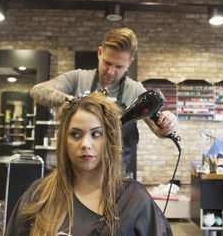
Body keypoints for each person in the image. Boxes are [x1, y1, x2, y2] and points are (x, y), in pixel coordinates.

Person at [4, 92, 173, 235]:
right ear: (64, 140)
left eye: (96, 134)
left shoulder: (134, 200)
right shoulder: (40, 196)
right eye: (76, 135)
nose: (85, 144)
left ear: (109, 140)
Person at [30, 27, 178, 175]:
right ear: (100, 53)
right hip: (76, 176)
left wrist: (168, 124)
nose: (111, 71)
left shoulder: (136, 91)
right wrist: (72, 101)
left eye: (119, 66)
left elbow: (158, 130)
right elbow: (37, 90)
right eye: (107, 63)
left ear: (130, 63)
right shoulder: (78, 78)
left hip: (117, 179)